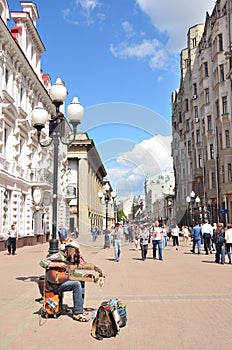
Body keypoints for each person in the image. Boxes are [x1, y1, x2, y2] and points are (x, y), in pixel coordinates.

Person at [40, 240, 103, 322]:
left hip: (60, 282)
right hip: (53, 284)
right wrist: (58, 264)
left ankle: (79, 307)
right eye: (74, 252)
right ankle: (77, 313)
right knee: (76, 284)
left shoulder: (69, 259)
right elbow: (42, 262)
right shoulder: (59, 256)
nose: (76, 254)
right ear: (70, 251)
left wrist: (83, 276)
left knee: (81, 281)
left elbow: (69, 275)